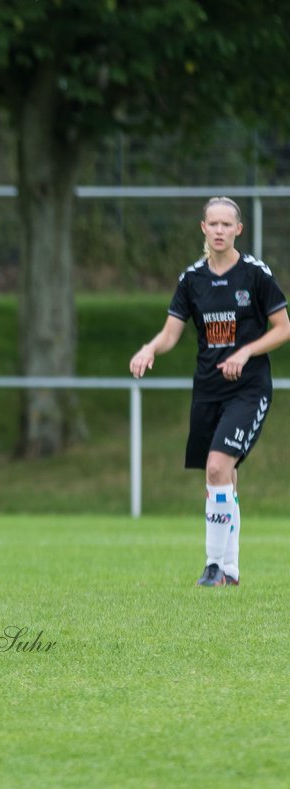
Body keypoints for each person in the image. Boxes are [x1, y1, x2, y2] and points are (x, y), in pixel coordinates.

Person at [129, 196, 290, 587]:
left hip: (249, 389)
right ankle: (230, 571)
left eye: (226, 224)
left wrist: (246, 352)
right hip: (207, 390)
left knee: (217, 467)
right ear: (203, 228)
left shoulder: (254, 275)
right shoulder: (192, 279)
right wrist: (150, 348)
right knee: (222, 480)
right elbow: (171, 333)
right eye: (212, 224)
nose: (219, 230)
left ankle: (213, 566)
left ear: (239, 229)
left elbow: (284, 328)